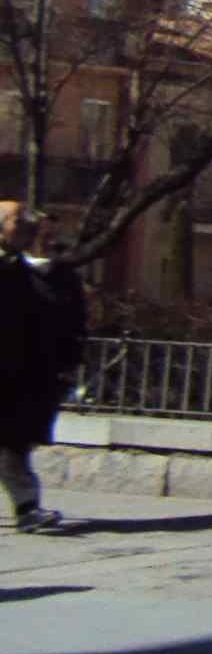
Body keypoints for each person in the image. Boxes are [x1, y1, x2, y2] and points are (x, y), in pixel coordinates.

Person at [0, 211, 89, 535]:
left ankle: (27, 508)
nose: (49, 240)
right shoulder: (9, 270)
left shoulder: (65, 277)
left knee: (15, 443)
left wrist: (70, 365)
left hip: (33, 374)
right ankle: (27, 507)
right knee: (10, 444)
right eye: (40, 234)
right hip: (8, 369)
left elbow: (76, 326)